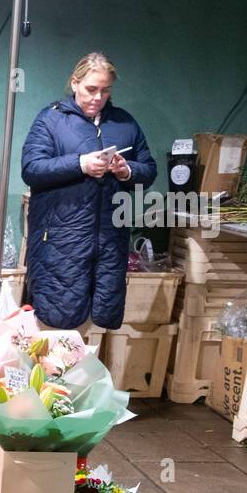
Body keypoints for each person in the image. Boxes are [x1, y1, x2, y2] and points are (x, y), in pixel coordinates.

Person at [21, 53, 157, 330]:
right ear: (75, 83)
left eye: (105, 90)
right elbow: (31, 168)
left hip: (110, 243)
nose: (98, 97)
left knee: (97, 323)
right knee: (56, 326)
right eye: (91, 89)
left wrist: (126, 170)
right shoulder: (51, 119)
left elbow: (149, 170)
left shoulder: (125, 123)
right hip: (60, 244)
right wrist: (80, 164)